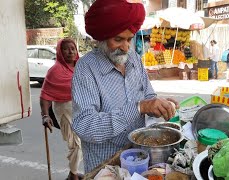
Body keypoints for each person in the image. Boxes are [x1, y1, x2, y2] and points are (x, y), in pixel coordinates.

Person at [71, 0, 179, 174]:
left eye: (129, 39)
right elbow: (86, 126)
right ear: (102, 38)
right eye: (118, 39)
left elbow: (148, 95)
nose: (126, 47)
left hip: (138, 158)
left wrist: (157, 105)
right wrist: (139, 107)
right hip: (105, 166)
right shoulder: (86, 68)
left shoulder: (134, 58)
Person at [40, 38, 83, 180]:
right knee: (75, 144)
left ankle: (73, 172)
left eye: (73, 48)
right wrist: (45, 116)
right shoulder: (55, 71)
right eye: (66, 49)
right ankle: (73, 175)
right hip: (64, 109)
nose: (70, 51)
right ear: (60, 51)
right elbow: (45, 95)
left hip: (81, 109)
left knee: (83, 142)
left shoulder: (81, 67)